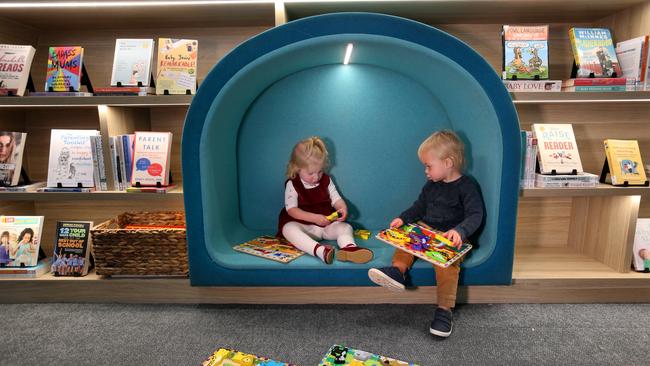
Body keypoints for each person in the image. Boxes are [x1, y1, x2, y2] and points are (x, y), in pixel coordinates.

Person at [368, 130, 484, 338]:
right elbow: (418, 207)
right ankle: (398, 271)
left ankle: (444, 310)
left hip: (450, 238)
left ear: (448, 163)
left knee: (446, 265)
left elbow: (476, 214)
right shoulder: (431, 186)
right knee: (406, 239)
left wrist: (460, 231)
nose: (425, 171)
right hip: (427, 230)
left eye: (428, 166)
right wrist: (403, 218)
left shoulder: (466, 187)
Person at [277, 136, 373, 264]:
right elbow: (292, 210)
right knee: (289, 229)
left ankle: (349, 248)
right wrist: (315, 218)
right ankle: (320, 251)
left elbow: (336, 199)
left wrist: (342, 208)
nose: (316, 177)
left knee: (345, 227)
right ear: (297, 168)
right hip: (305, 227)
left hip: (327, 225)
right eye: (310, 173)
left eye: (320, 171)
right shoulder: (293, 184)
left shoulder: (326, 180)